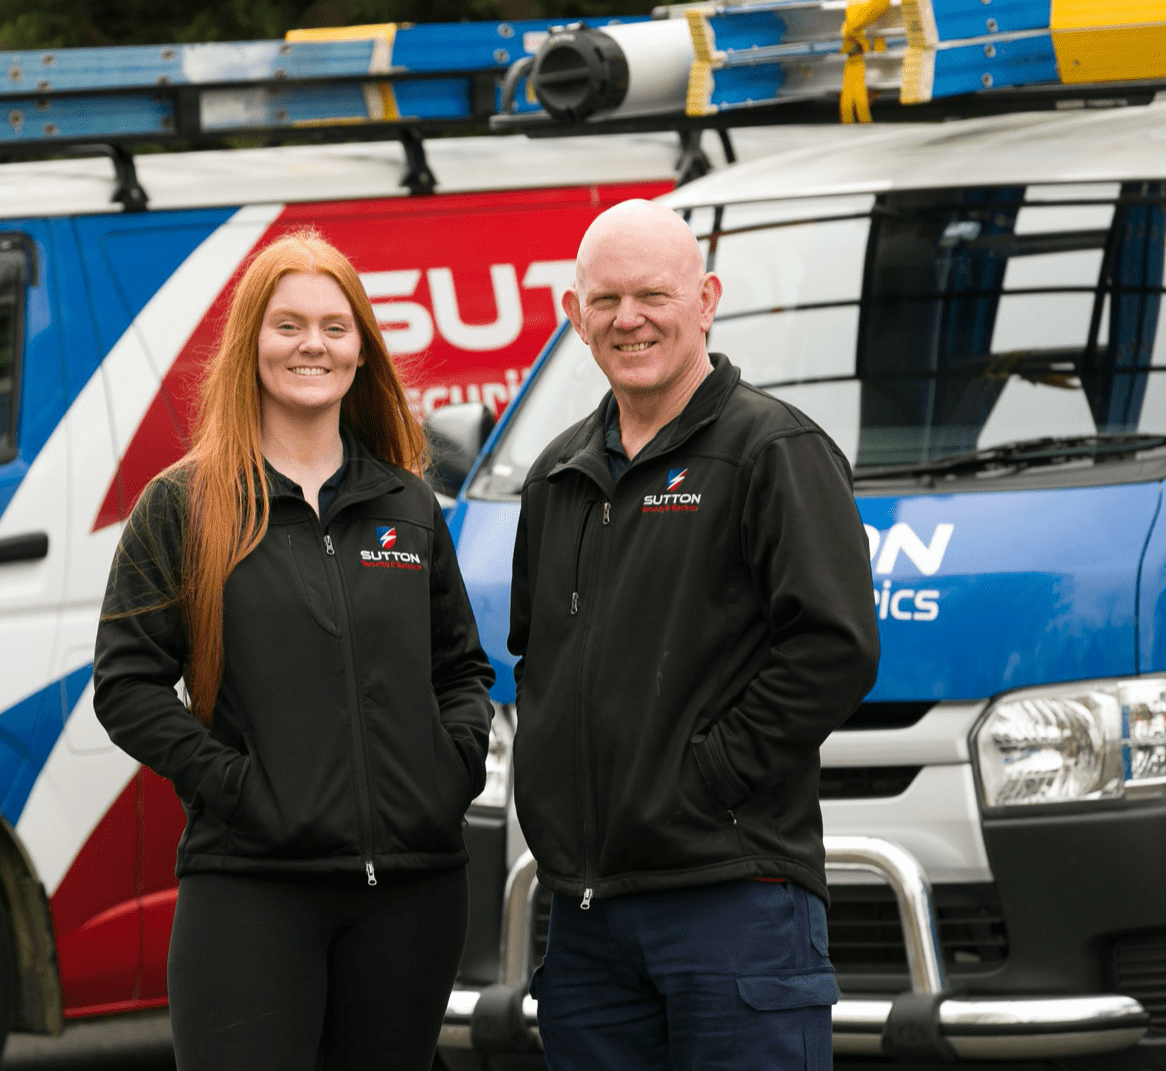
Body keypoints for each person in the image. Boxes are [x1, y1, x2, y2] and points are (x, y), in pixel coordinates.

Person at [94, 229, 495, 1071]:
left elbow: (461, 668)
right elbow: (126, 685)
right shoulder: (185, 506)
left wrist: (448, 769)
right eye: (288, 325)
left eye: (334, 326)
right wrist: (238, 788)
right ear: (251, 344)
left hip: (413, 890)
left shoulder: (407, 504)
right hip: (251, 885)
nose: (312, 344)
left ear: (360, 352)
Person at [508, 199, 879, 1070]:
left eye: (652, 295)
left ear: (706, 299)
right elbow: (540, 658)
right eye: (604, 301)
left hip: (733, 900)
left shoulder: (773, 449)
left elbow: (835, 648)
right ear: (574, 315)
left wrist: (708, 780)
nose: (627, 319)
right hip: (588, 921)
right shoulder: (556, 476)